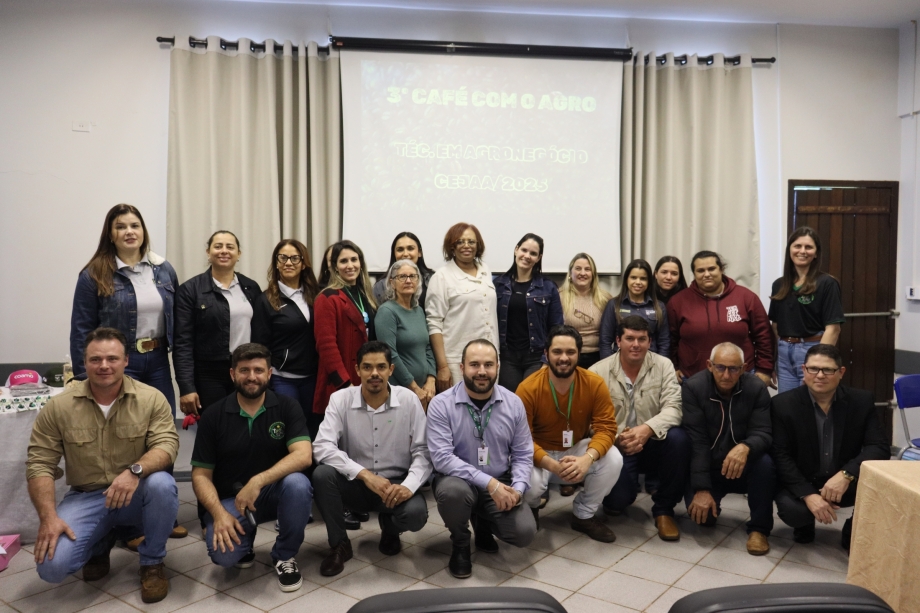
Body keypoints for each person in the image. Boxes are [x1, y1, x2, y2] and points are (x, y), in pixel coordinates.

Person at [27, 328, 179, 603]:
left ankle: (152, 563)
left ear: (126, 361)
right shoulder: (58, 407)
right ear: (84, 362)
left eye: (112, 358)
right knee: (51, 568)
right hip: (87, 497)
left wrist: (134, 471)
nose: (104, 366)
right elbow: (39, 464)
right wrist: (48, 518)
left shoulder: (151, 398)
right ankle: (99, 544)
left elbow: (166, 446)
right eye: (95, 359)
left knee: (162, 484)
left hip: (135, 492)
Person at [190, 343, 313, 592]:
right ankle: (245, 543)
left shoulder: (288, 407)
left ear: (269, 374)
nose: (252, 377)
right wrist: (218, 514)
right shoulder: (214, 415)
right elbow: (201, 475)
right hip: (230, 500)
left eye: (258, 370)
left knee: (299, 484)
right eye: (244, 370)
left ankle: (284, 555)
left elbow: (303, 456)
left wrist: (257, 481)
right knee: (224, 557)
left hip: (271, 493)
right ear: (233, 374)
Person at [312, 342, 432, 576]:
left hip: (395, 484)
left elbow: (424, 451)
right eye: (367, 367)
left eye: (381, 367)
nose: (374, 373)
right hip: (357, 484)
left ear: (391, 370)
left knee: (416, 515)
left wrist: (408, 486)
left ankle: (391, 528)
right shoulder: (340, 399)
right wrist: (364, 475)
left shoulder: (408, 400)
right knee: (322, 475)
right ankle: (339, 545)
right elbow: (321, 447)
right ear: (357, 370)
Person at [427, 339, 536, 579]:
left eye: (488, 364)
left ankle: (483, 521)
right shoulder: (440, 405)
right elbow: (442, 459)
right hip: (458, 482)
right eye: (474, 364)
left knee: (524, 533)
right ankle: (460, 543)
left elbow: (523, 453)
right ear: (462, 367)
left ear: (498, 366)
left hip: (499, 478)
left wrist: (517, 489)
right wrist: (489, 483)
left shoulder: (513, 403)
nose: (482, 372)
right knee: (453, 493)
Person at [771, 344, 888, 550]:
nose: (820, 375)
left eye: (828, 370)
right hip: (804, 479)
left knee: (885, 489)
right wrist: (809, 495)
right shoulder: (782, 404)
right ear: (804, 370)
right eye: (813, 369)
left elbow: (878, 447)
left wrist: (846, 474)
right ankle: (805, 522)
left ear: (841, 372)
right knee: (794, 512)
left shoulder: (861, 401)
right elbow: (781, 456)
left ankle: (852, 528)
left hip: (842, 481)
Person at [516, 326, 622, 542]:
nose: (564, 358)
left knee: (613, 458)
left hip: (575, 451)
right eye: (557, 352)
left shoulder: (593, 383)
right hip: (539, 454)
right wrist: (551, 464)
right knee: (526, 480)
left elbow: (607, 428)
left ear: (579, 354)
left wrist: (587, 458)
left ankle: (583, 515)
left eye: (570, 352)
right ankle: (533, 509)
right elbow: (521, 440)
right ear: (546, 353)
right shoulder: (528, 388)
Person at [589, 316, 690, 542]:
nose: (636, 344)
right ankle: (622, 491)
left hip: (654, 440)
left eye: (642, 339)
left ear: (649, 341)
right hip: (618, 445)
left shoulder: (664, 366)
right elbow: (589, 421)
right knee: (617, 502)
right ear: (618, 340)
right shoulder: (597, 371)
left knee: (679, 439)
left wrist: (646, 429)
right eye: (630, 338)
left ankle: (664, 510)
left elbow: (675, 409)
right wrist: (616, 438)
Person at [70, 204, 179, 411]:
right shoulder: (93, 275)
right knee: (122, 427)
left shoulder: (164, 270)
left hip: (158, 361)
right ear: (110, 235)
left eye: (135, 226)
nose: (129, 231)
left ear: (143, 232)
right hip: (115, 362)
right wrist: (83, 377)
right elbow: (81, 330)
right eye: (120, 227)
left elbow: (179, 321)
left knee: (163, 422)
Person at [682, 342, 776, 556]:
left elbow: (764, 432)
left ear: (743, 368)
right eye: (720, 367)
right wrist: (702, 489)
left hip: (742, 465)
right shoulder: (694, 388)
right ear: (709, 365)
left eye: (734, 368)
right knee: (704, 520)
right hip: (709, 465)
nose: (726, 375)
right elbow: (697, 441)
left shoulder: (756, 388)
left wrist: (746, 446)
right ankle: (709, 494)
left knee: (765, 462)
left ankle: (759, 529)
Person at [175, 231, 261, 415]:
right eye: (218, 246)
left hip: (246, 370)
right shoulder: (190, 290)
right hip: (208, 375)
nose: (224, 251)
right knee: (214, 428)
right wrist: (187, 387)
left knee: (247, 428)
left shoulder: (251, 287)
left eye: (230, 247)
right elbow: (183, 342)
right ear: (208, 252)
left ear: (239, 254)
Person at [667, 251, 774, 383]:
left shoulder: (746, 297)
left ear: (721, 269)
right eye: (700, 270)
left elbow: (764, 336)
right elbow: (670, 340)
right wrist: (673, 367)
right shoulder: (678, 302)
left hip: (741, 376)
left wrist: (764, 370)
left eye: (711, 269)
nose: (707, 274)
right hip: (693, 377)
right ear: (694, 274)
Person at [769, 228, 845, 393]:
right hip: (783, 355)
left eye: (808, 247)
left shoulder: (827, 283)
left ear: (816, 253)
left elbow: (833, 328)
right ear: (790, 250)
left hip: (812, 350)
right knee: (788, 407)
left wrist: (817, 365)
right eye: (797, 246)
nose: (802, 251)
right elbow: (775, 326)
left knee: (811, 407)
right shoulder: (779, 285)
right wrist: (773, 361)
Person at [252, 239, 320, 421]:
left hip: (314, 377)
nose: (288, 263)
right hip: (283, 378)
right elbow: (260, 344)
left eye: (295, 258)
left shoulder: (317, 294)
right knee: (288, 427)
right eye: (283, 258)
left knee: (313, 429)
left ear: (304, 263)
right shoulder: (266, 300)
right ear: (276, 263)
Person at [313, 240, 378, 435]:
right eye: (343, 261)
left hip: (365, 378)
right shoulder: (327, 298)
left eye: (354, 259)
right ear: (334, 267)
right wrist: (344, 383)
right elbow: (326, 345)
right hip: (342, 383)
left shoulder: (365, 294)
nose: (350, 265)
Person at [426, 223, 499, 393]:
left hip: (489, 358)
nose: (466, 246)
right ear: (452, 247)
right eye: (460, 242)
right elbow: (434, 323)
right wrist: (443, 366)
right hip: (456, 360)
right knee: (459, 410)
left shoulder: (485, 271)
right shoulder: (441, 277)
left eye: (471, 242)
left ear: (478, 245)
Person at [494, 233, 564, 392]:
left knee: (530, 402)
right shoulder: (498, 284)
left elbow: (556, 328)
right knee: (509, 403)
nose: (527, 256)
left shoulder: (548, 287)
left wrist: (547, 361)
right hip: (506, 358)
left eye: (533, 253)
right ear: (516, 250)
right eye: (524, 250)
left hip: (536, 358)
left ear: (538, 258)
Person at [375, 260, 437, 410]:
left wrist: (431, 380)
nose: (408, 281)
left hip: (424, 391)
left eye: (413, 276)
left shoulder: (419, 311)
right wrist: (414, 388)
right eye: (402, 277)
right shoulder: (387, 312)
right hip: (400, 390)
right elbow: (390, 354)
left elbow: (428, 347)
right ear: (392, 282)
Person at [599, 259, 668, 358]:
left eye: (643, 278)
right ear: (627, 279)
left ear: (649, 281)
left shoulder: (659, 307)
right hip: (620, 362)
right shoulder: (614, 305)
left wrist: (660, 367)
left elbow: (664, 342)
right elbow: (605, 341)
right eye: (633, 277)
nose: (638, 282)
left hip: (651, 363)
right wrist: (610, 367)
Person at [560, 253, 612, 370]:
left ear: (593, 274)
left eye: (587, 269)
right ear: (570, 273)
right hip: (569, 357)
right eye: (578, 269)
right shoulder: (559, 297)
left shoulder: (606, 298)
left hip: (599, 357)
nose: (582, 273)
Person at [372, 232, 435, 309]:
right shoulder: (381, 286)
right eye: (400, 249)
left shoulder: (433, 280)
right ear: (394, 254)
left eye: (410, 248)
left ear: (419, 252)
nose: (405, 254)